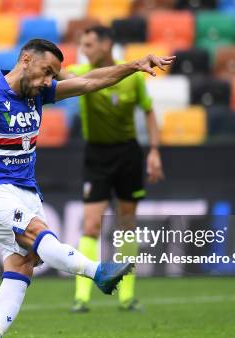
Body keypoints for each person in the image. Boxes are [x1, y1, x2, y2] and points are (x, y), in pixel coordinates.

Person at [0, 38, 174, 338]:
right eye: (46, 71)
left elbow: (88, 82)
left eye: (53, 75)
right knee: (37, 232)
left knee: (24, 262)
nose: (48, 81)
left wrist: (133, 66)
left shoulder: (38, 93)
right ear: (26, 59)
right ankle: (97, 271)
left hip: (25, 190)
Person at [62, 26, 165, 313]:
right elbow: (61, 75)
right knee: (91, 225)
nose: (84, 49)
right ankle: (82, 297)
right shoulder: (80, 71)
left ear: (107, 44)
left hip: (128, 153)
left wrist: (154, 150)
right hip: (96, 155)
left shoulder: (132, 79)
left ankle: (126, 296)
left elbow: (149, 110)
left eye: (90, 43)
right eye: (82, 44)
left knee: (127, 224)